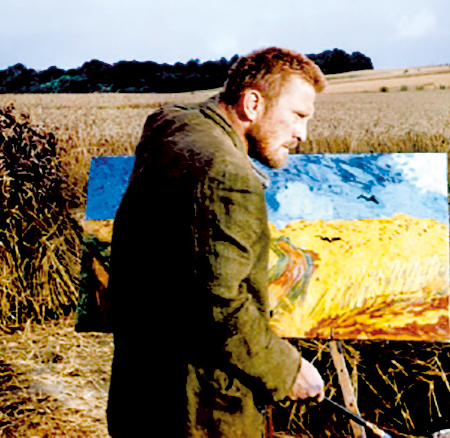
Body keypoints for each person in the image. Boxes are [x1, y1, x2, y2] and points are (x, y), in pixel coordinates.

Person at [106, 47, 327, 437]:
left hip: (140, 391)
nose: (302, 134)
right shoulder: (228, 173)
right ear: (252, 103)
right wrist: (287, 370)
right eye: (297, 115)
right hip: (198, 410)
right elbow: (218, 304)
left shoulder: (171, 125)